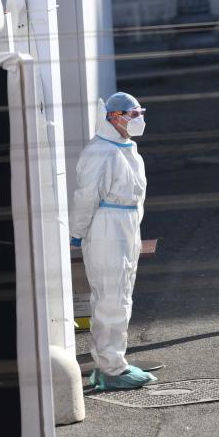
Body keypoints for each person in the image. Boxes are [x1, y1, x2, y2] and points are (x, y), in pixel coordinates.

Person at [69, 92, 157, 391]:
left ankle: (113, 362)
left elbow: (136, 197)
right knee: (110, 297)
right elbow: (86, 196)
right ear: (114, 117)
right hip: (106, 228)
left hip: (125, 226)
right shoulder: (99, 151)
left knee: (121, 296)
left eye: (140, 113)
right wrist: (78, 231)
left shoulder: (128, 149)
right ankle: (110, 368)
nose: (138, 119)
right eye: (133, 114)